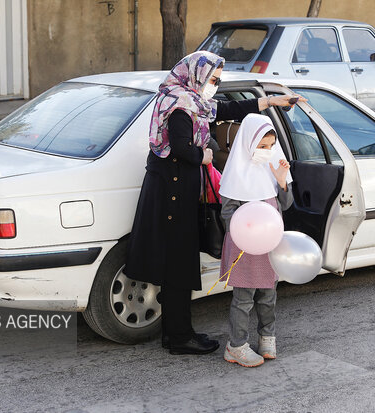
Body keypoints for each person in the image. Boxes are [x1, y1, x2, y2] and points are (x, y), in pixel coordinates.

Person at [124, 50, 301, 356]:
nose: (214, 85)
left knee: (176, 265)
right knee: (178, 265)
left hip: (175, 192)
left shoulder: (193, 103)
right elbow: (180, 147)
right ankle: (180, 337)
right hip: (173, 195)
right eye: (213, 79)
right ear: (196, 74)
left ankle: (176, 333)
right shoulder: (181, 106)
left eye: (217, 79)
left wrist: (269, 102)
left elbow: (229, 108)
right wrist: (202, 155)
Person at [218, 113, 294, 367]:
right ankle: (236, 345)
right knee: (243, 298)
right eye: (262, 147)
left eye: (271, 146)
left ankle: (267, 337)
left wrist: (282, 182)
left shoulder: (272, 169)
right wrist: (247, 233)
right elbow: (227, 214)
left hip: (269, 245)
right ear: (249, 143)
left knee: (268, 294)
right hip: (245, 248)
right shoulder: (236, 173)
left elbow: (287, 204)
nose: (267, 151)